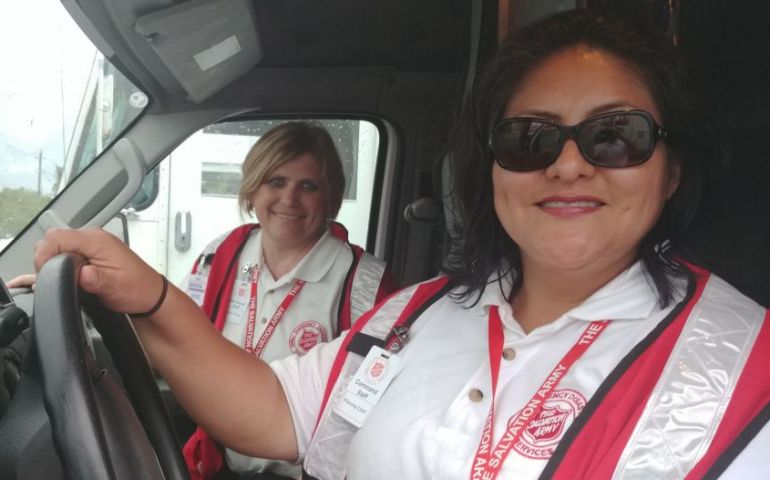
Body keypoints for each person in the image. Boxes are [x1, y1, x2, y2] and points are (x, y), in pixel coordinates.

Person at [32, 9, 770, 480]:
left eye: (616, 136)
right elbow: (279, 411)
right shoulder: (420, 314)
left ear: (671, 169)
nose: (567, 162)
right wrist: (152, 298)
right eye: (528, 138)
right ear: (490, 168)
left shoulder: (748, 373)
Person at [180, 121, 396, 478]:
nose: (289, 199)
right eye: (276, 181)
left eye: (308, 186)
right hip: (220, 464)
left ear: (330, 197)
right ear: (252, 189)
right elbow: (182, 336)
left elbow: (376, 405)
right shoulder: (221, 254)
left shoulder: (365, 282)